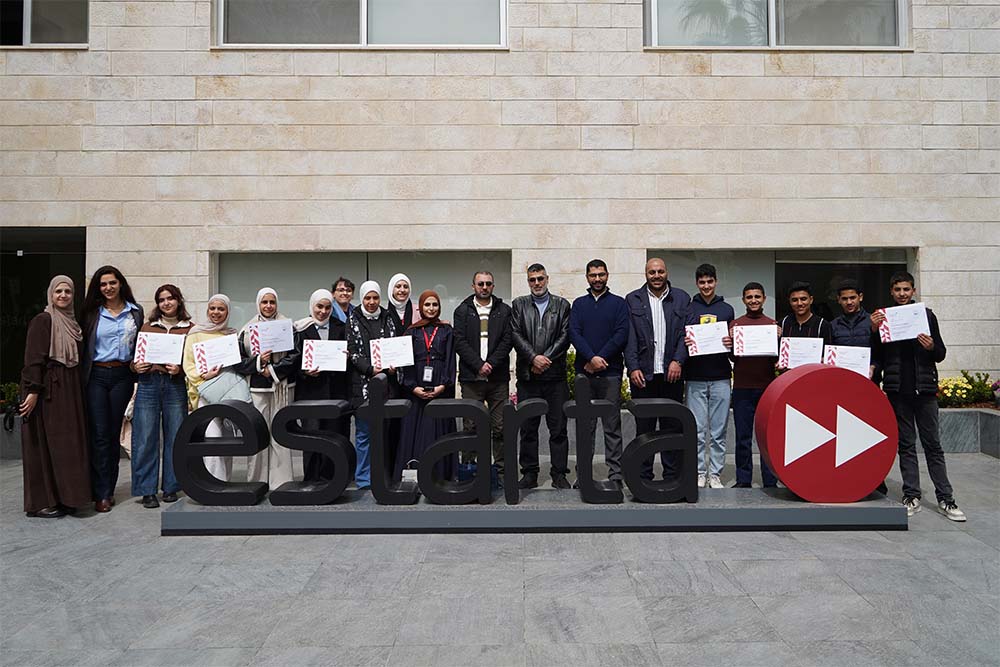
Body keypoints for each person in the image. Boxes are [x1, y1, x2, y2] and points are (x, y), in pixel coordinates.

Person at [871, 272, 965, 521]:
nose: (902, 294)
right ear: (891, 292)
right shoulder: (885, 318)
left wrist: (930, 346)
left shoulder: (927, 315)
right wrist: (874, 330)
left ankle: (946, 498)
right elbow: (877, 355)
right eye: (897, 290)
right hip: (898, 391)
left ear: (913, 291)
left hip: (925, 391)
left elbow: (940, 353)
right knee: (906, 445)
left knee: (933, 445)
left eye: (906, 289)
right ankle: (911, 495)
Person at [18, 276, 91, 518]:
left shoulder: (74, 325)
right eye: (58, 291)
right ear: (50, 294)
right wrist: (32, 391)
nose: (63, 295)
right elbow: (33, 358)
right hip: (47, 390)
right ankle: (42, 502)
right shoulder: (43, 320)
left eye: (67, 291)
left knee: (67, 445)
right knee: (43, 445)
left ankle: (68, 498)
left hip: (69, 389)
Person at [81, 265, 144, 513]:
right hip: (96, 375)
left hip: (122, 376)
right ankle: (101, 493)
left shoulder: (135, 312)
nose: (108, 288)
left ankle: (109, 487)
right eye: (103, 284)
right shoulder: (91, 313)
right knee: (99, 433)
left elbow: (141, 344)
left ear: (121, 284)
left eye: (112, 283)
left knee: (113, 433)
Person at [624, 258, 690, 484]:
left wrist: (678, 361)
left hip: (672, 375)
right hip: (644, 376)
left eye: (660, 271)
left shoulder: (681, 298)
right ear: (646, 274)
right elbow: (629, 337)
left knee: (672, 428)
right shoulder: (633, 299)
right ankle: (644, 477)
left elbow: (686, 334)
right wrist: (633, 367)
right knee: (644, 429)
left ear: (666, 272)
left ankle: (672, 477)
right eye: (652, 272)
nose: (656, 276)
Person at [130, 284, 192, 509]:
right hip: (148, 383)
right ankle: (147, 490)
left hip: (175, 385)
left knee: (175, 435)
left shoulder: (190, 329)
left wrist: (180, 370)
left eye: (170, 298)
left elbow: (193, 362)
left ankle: (171, 487)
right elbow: (134, 358)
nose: (166, 303)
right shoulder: (148, 327)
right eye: (162, 300)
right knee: (145, 437)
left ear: (178, 300)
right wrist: (135, 366)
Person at [510, 263, 572, 489]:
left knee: (559, 429)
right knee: (528, 429)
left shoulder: (562, 305)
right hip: (529, 377)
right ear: (528, 281)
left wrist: (544, 359)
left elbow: (565, 337)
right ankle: (529, 474)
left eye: (540, 279)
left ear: (547, 279)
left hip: (555, 378)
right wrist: (533, 358)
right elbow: (515, 334)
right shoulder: (519, 304)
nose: (536, 283)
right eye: (532, 279)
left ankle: (559, 474)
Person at [570, 259, 629, 488]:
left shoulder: (619, 304)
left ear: (607, 275)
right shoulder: (579, 304)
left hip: (610, 373)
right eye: (593, 275)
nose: (597, 279)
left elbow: (621, 334)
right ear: (587, 277)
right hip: (584, 374)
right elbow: (574, 334)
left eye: (601, 274)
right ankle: (583, 474)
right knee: (585, 426)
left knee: (612, 425)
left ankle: (616, 474)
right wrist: (590, 358)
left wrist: (599, 359)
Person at [452, 270, 513, 485]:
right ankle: (469, 471)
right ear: (473, 286)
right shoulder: (462, 310)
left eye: (488, 283)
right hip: (471, 378)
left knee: (500, 427)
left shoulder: (504, 310)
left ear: (493, 286)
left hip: (498, 379)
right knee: (471, 427)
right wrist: (479, 365)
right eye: (480, 284)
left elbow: (507, 340)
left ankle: (502, 474)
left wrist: (491, 364)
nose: (484, 287)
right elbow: (459, 342)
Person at [182, 294, 249, 483]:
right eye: (212, 308)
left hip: (229, 393)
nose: (216, 312)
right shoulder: (195, 333)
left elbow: (238, 364)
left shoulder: (231, 334)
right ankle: (213, 482)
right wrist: (204, 376)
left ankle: (225, 481)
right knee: (211, 437)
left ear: (227, 312)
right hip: (206, 392)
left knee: (227, 440)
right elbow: (188, 364)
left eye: (221, 309)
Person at [236, 288, 298, 489]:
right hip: (258, 389)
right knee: (259, 433)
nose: (269, 306)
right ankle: (257, 481)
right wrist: (258, 363)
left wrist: (272, 370)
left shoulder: (288, 327)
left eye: (272, 302)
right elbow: (238, 360)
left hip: (282, 387)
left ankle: (282, 481)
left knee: (281, 433)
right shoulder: (246, 330)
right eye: (265, 302)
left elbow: (295, 356)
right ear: (258, 304)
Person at [395, 290, 457, 481]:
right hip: (416, 387)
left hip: (440, 386)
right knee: (415, 429)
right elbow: (405, 363)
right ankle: (414, 474)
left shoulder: (447, 330)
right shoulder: (411, 331)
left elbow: (450, 360)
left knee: (438, 428)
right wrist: (413, 387)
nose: (431, 308)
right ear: (420, 307)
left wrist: (443, 385)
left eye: (435, 304)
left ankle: (441, 474)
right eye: (427, 305)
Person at [293, 289, 352, 484]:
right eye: (319, 306)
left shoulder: (341, 327)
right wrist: (305, 372)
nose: (323, 311)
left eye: (327, 307)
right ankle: (311, 479)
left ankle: (332, 479)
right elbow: (292, 361)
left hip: (335, 392)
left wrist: (346, 358)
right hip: (310, 393)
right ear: (312, 306)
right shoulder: (300, 329)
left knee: (333, 436)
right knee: (311, 437)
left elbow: (349, 359)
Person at [684, 263, 734, 489]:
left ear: (716, 282)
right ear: (697, 283)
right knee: (697, 430)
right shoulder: (689, 308)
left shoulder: (727, 309)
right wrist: (686, 342)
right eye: (702, 282)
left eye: (710, 281)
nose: (706, 286)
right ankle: (699, 472)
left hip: (721, 376)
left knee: (718, 431)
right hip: (695, 377)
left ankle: (715, 474)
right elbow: (681, 339)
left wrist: (730, 342)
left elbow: (733, 345)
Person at [347, 281, 399, 490]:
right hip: (362, 386)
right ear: (362, 298)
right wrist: (370, 369)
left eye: (375, 297)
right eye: (367, 298)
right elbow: (352, 352)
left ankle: (383, 475)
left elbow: (394, 346)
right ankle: (363, 478)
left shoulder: (388, 317)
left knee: (384, 433)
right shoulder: (352, 319)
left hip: (386, 384)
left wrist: (393, 367)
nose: (371, 302)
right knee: (364, 433)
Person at [729, 283, 780, 489]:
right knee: (743, 437)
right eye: (749, 297)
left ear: (764, 298)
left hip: (767, 388)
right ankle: (743, 479)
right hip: (742, 388)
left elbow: (777, 359)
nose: (753, 300)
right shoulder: (736, 325)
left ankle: (770, 480)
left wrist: (778, 338)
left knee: (767, 436)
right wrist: (730, 341)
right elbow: (733, 357)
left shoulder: (772, 325)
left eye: (757, 296)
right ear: (743, 300)